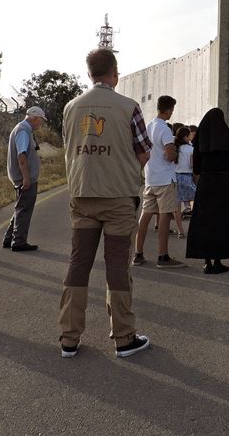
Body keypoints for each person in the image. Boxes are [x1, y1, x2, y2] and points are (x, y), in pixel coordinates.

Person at [58, 48, 152, 359]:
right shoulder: (129, 107)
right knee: (116, 267)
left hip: (83, 195)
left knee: (78, 264)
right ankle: (124, 337)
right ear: (115, 73)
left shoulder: (71, 107)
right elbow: (143, 153)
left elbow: (70, 147)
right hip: (118, 198)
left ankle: (69, 337)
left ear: (89, 74)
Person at [186, 108, 229, 274]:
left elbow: (196, 168)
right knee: (222, 222)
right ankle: (218, 260)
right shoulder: (227, 140)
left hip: (205, 184)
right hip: (223, 184)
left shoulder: (199, 141)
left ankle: (207, 261)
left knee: (205, 223)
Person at [133, 95, 186, 268]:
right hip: (165, 178)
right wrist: (174, 154)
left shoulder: (149, 126)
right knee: (165, 216)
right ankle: (163, 256)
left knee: (145, 216)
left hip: (150, 177)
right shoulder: (165, 129)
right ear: (169, 109)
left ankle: (138, 253)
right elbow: (170, 155)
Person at [2, 106, 48, 252]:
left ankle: (9, 238)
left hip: (21, 177)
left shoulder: (23, 129)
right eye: (40, 121)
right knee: (24, 209)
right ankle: (19, 241)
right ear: (34, 118)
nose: (40, 124)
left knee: (20, 207)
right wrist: (26, 178)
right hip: (23, 178)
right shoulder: (23, 130)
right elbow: (21, 156)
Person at [174, 126, 195, 231]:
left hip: (176, 178)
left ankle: (180, 231)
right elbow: (192, 166)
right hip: (187, 177)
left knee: (177, 205)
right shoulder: (191, 149)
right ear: (186, 136)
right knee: (195, 199)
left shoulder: (176, 149)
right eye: (190, 134)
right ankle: (195, 228)